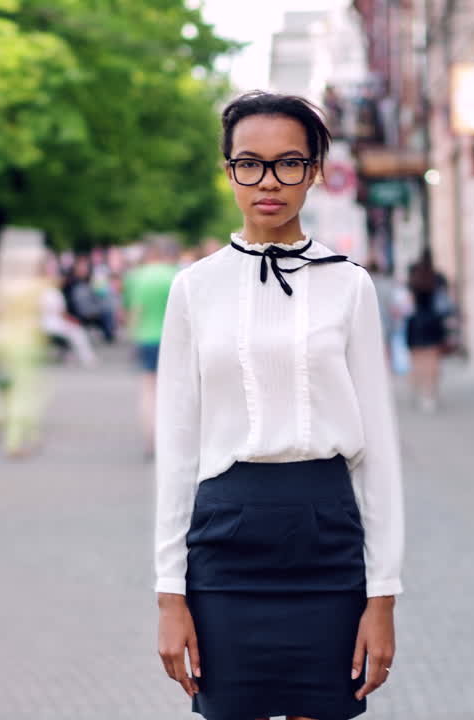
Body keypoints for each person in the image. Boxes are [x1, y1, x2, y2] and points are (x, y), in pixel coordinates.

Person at [155, 91, 404, 720]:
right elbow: (177, 448)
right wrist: (168, 594)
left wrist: (384, 595)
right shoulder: (195, 289)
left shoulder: (350, 285)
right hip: (225, 539)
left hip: (326, 534)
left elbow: (379, 448)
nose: (269, 182)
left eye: (290, 163)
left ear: (315, 170)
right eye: (250, 163)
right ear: (229, 169)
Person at [0, 247, 51, 458]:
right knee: (26, 391)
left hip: (3, 341)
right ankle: (17, 438)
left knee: (6, 390)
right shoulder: (37, 287)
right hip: (28, 342)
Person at [123, 235, 180, 461]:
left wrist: (132, 337)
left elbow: (134, 310)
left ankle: (151, 441)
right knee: (173, 391)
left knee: (148, 391)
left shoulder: (138, 277)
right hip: (173, 339)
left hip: (146, 337)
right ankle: (171, 439)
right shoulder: (176, 275)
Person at [405, 248, 451, 413]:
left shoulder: (414, 276)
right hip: (434, 322)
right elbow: (445, 302)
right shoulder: (438, 277)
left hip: (417, 321)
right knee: (433, 359)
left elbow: (408, 301)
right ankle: (430, 393)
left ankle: (420, 391)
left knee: (417, 359)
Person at [64, 256, 116, 344]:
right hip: (77, 311)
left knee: (107, 307)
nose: (83, 269)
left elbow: (99, 295)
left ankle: (109, 335)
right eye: (81, 267)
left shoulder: (91, 280)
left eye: (85, 267)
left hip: (92, 308)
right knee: (105, 310)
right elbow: (68, 300)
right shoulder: (70, 282)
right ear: (75, 268)